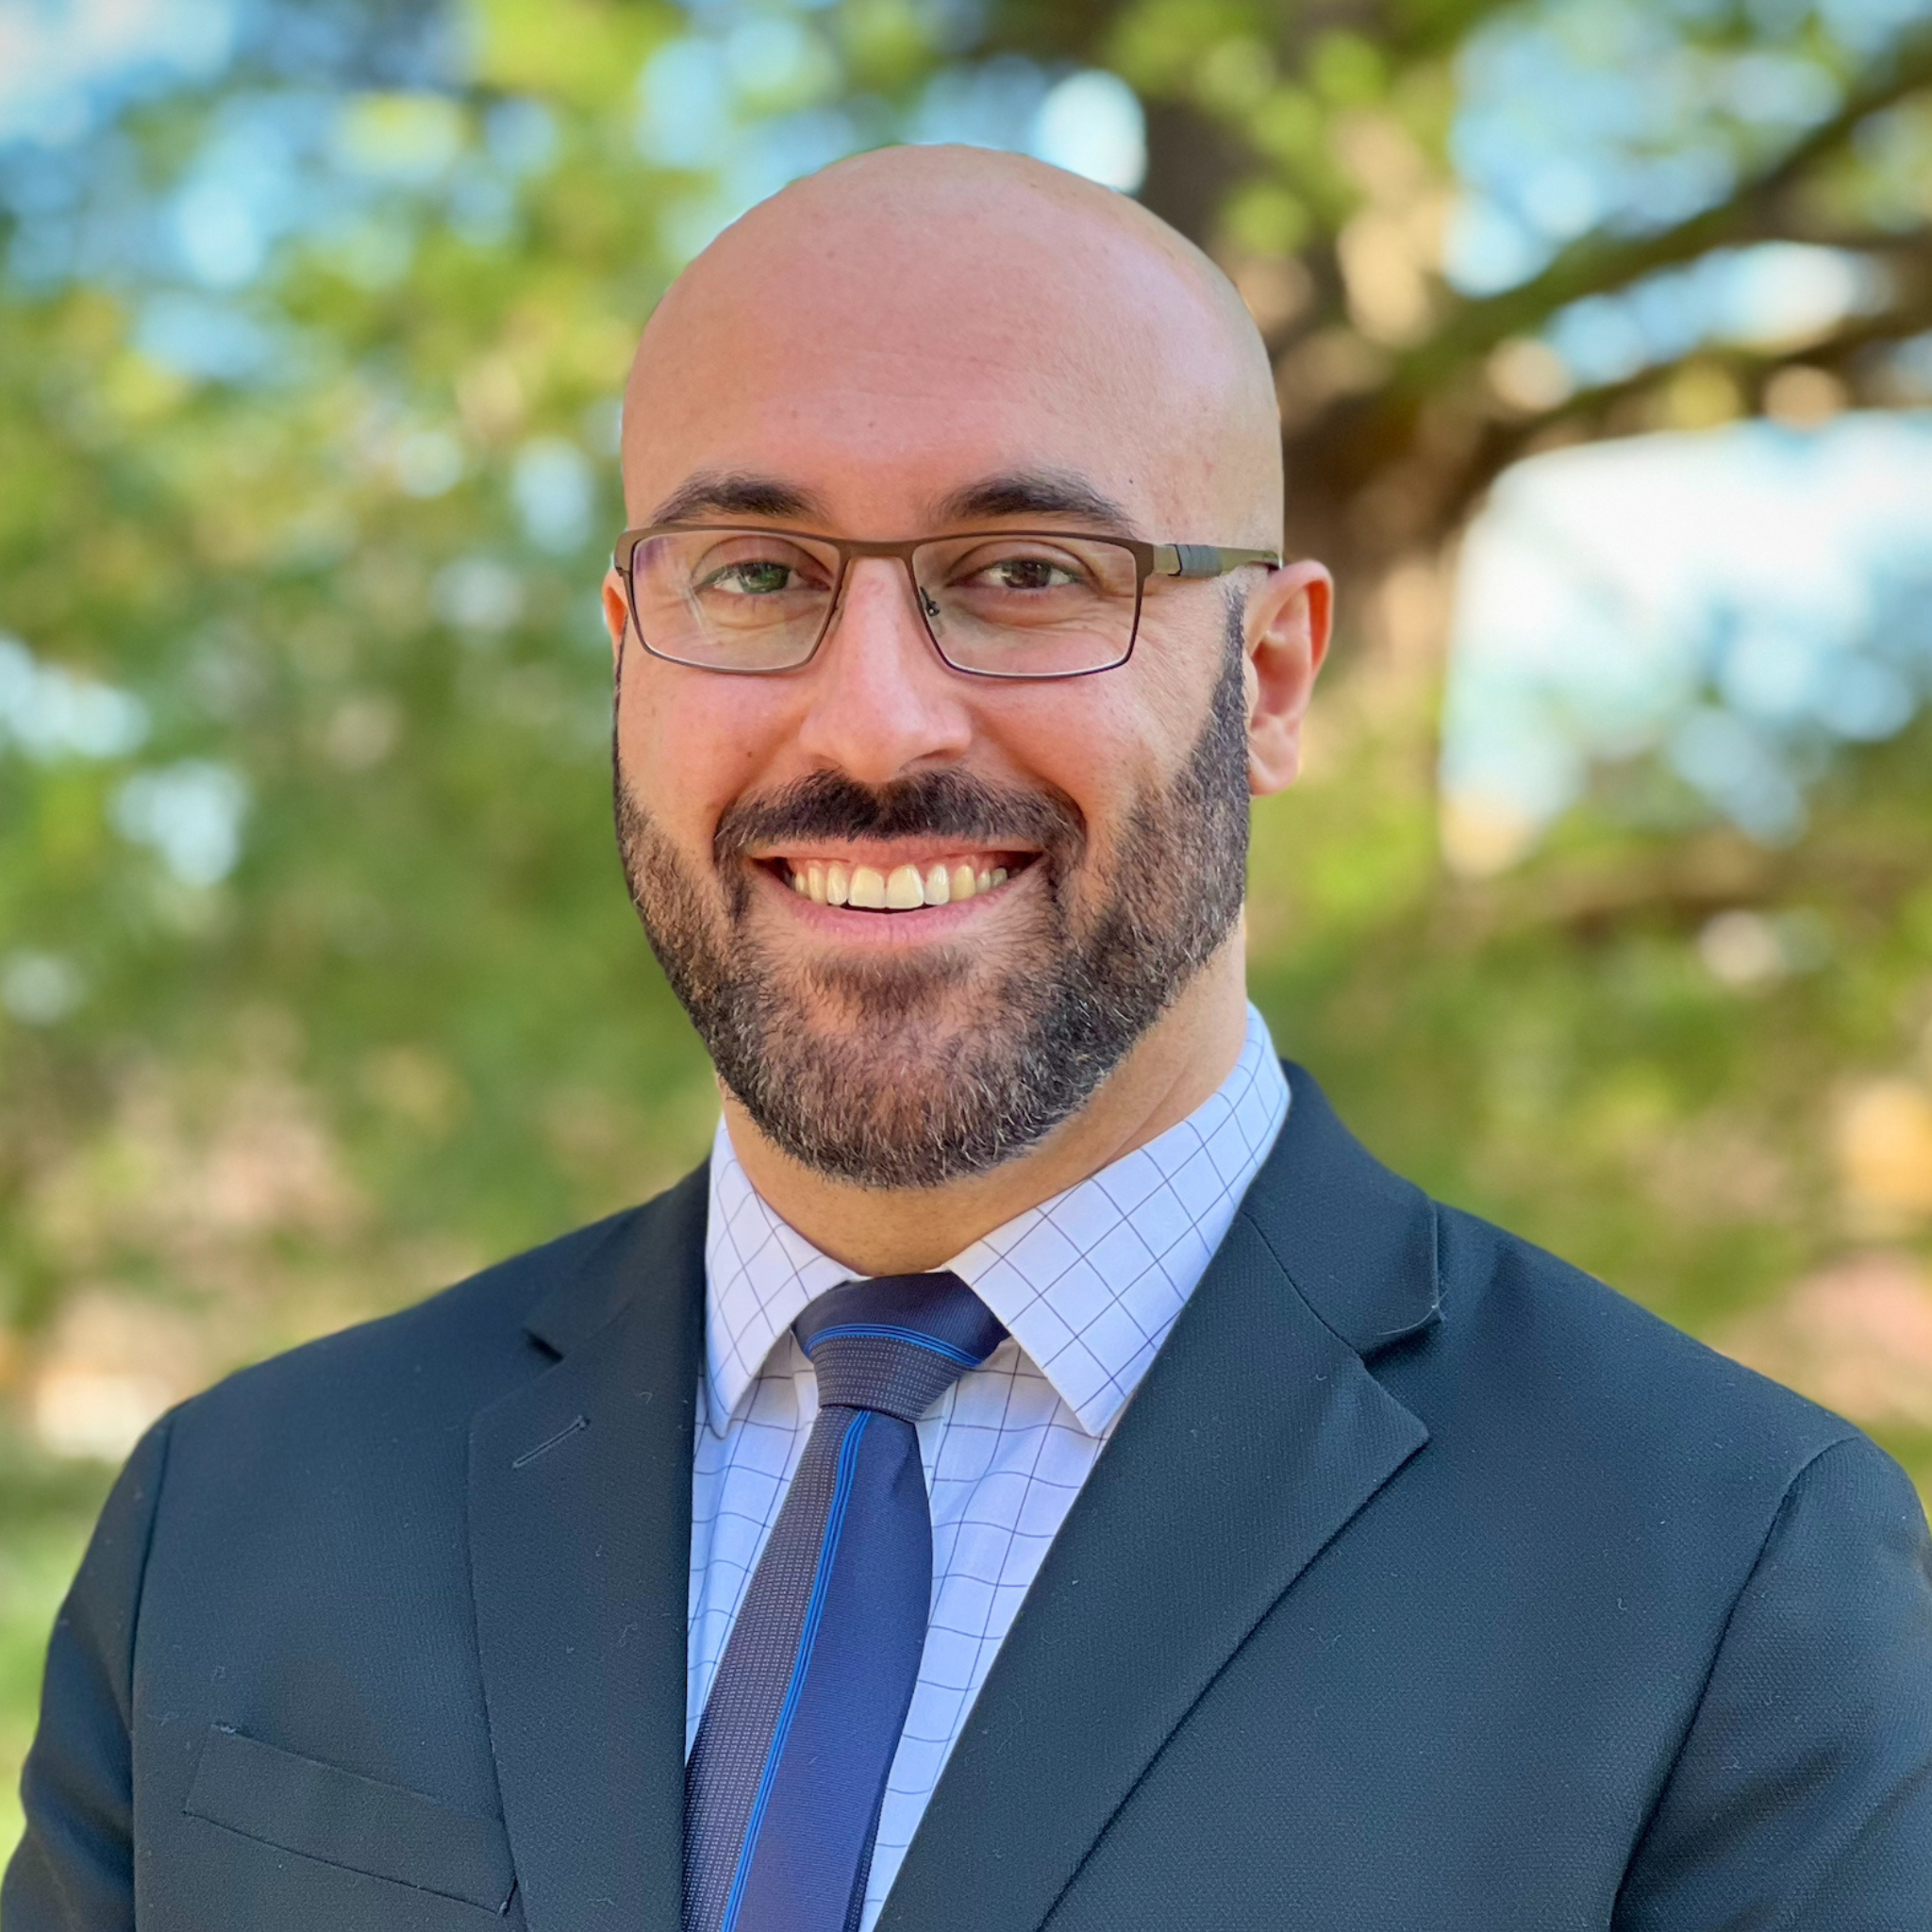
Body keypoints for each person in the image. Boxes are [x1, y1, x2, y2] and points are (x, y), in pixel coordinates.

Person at [6, 143, 1930, 1932]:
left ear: (1264, 674)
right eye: (752, 577)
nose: (869, 727)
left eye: (1024, 575)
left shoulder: (1725, 1586)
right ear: (627, 648)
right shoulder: (237, 1514)